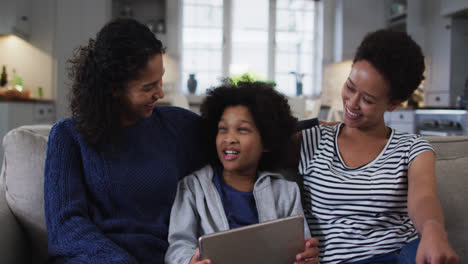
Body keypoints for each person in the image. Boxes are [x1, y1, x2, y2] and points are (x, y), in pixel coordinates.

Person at [44, 18, 211, 263]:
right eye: (148, 87)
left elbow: (236, 147)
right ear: (114, 88)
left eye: (160, 80)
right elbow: (66, 227)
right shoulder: (68, 136)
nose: (161, 93)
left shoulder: (179, 126)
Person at [297, 29, 460, 264]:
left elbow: (423, 197)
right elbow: (262, 132)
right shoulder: (311, 139)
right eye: (350, 87)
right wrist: (318, 123)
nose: (352, 104)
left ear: (393, 104)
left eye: (368, 100)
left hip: (400, 254)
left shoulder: (412, 147)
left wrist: (433, 230)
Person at [165, 81, 319, 264]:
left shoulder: (286, 191)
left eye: (242, 130)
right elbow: (178, 245)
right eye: (222, 129)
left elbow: (302, 247)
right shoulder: (192, 188)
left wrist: (307, 257)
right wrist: (189, 261)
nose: (229, 139)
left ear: (268, 141)